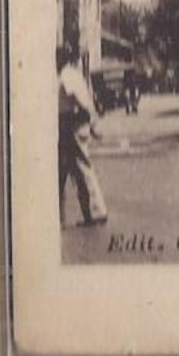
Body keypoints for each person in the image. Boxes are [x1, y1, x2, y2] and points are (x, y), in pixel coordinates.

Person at [57, 45, 108, 227]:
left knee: (80, 167)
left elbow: (79, 100)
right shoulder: (73, 74)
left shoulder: (66, 75)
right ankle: (60, 215)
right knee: (61, 172)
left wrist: (91, 120)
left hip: (71, 124)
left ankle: (95, 212)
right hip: (68, 124)